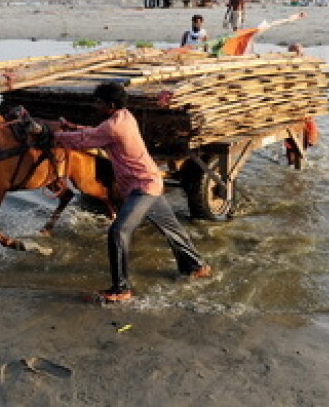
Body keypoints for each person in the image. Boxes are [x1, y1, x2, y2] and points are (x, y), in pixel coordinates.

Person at [51, 82, 211, 303]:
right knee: (171, 228)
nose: (95, 106)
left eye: (99, 102)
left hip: (142, 188)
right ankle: (197, 266)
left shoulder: (113, 127)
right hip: (150, 181)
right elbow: (93, 133)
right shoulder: (124, 116)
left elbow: (85, 140)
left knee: (118, 231)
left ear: (111, 105)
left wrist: (51, 136)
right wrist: (72, 126)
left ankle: (121, 289)